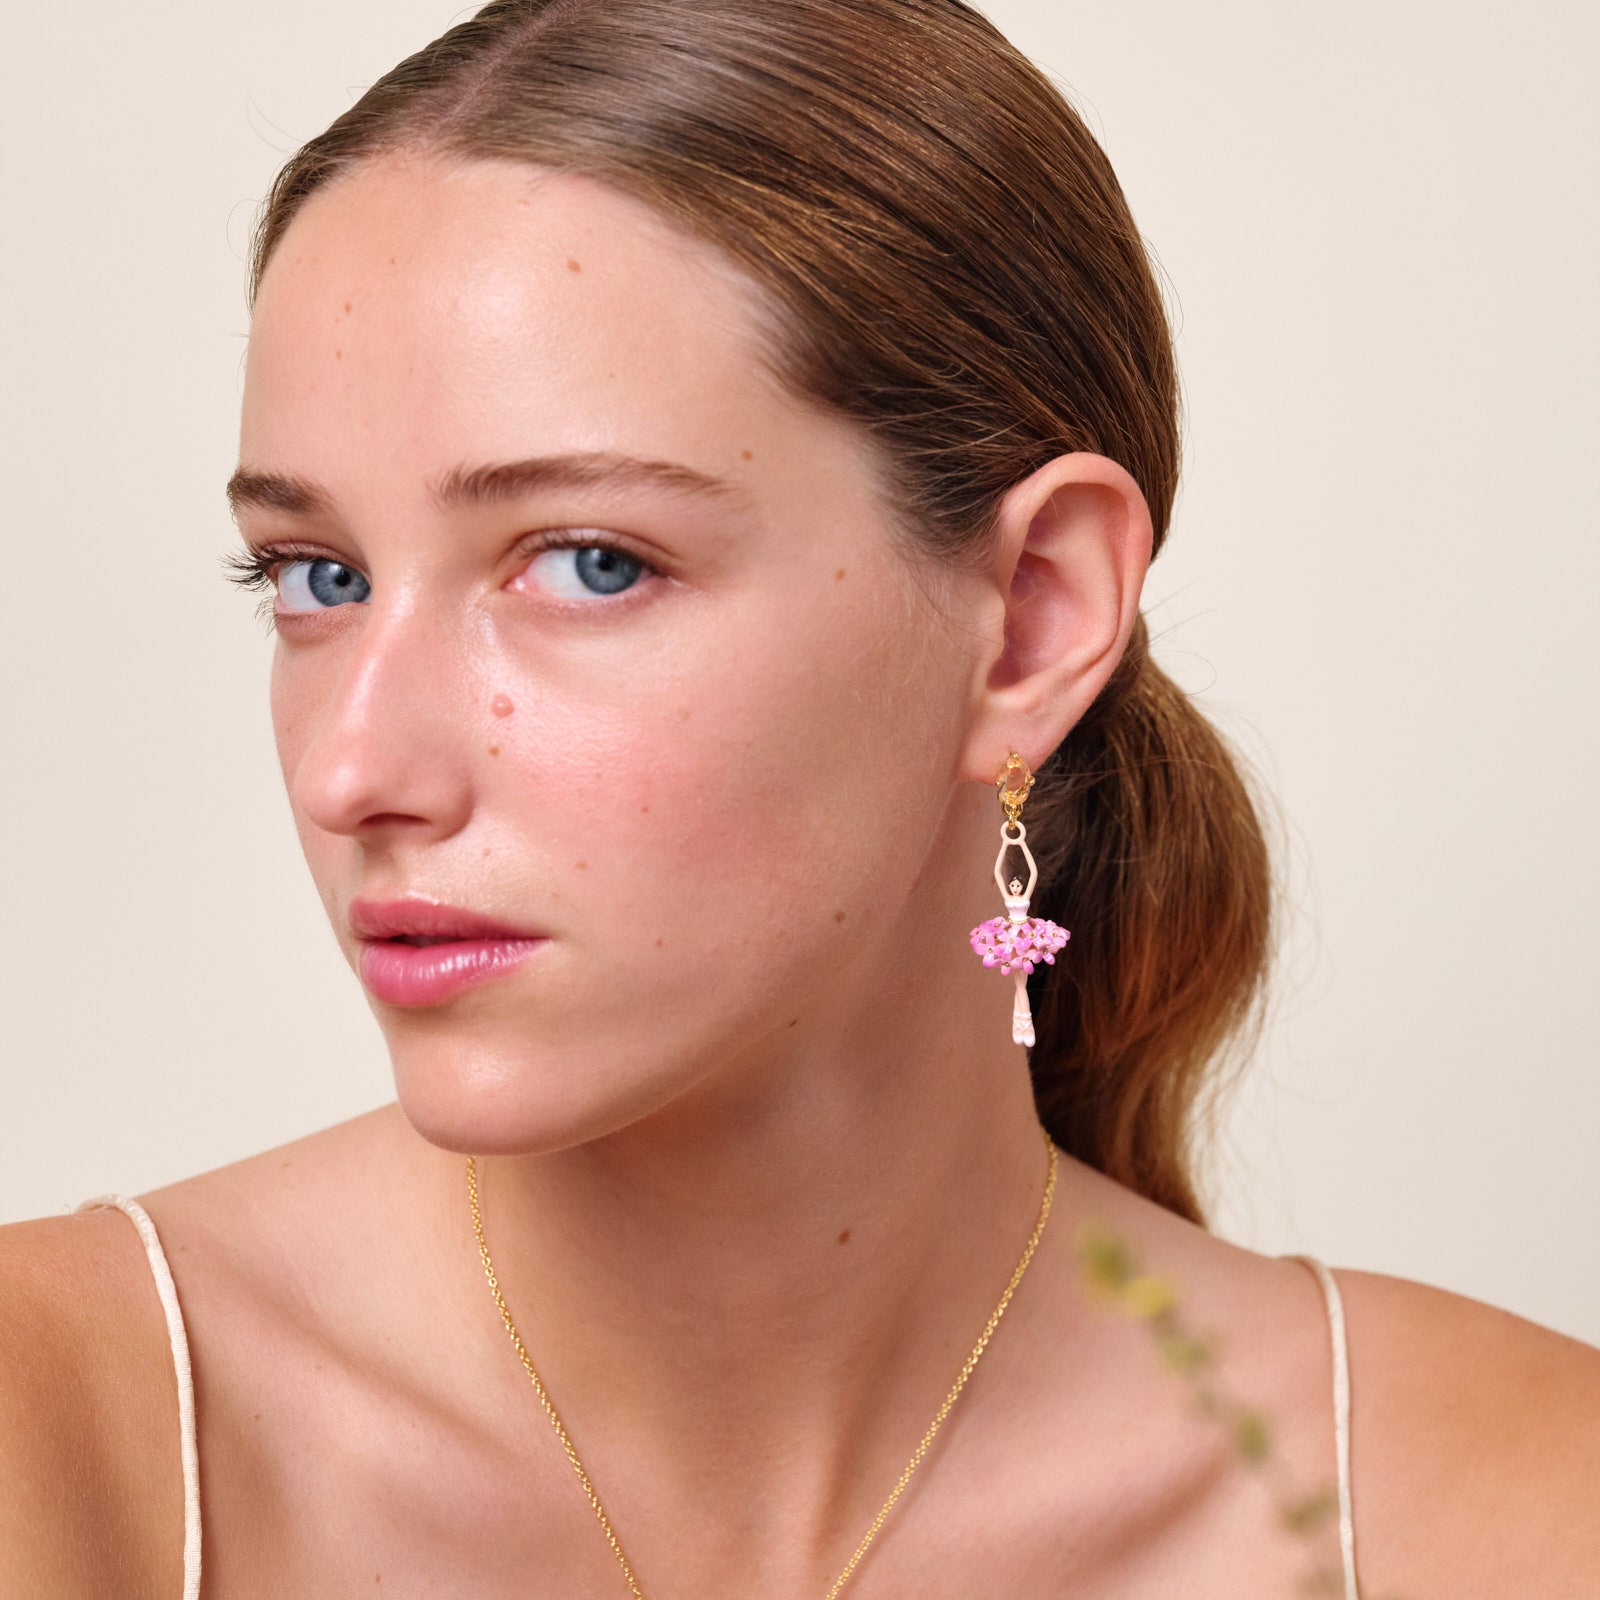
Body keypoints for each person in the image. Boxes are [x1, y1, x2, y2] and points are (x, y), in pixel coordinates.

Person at [2, 1, 1596, 1595]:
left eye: (589, 562)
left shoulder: (1506, 1509)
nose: (355, 770)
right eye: (317, 576)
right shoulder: (65, 1431)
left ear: (1032, 614)